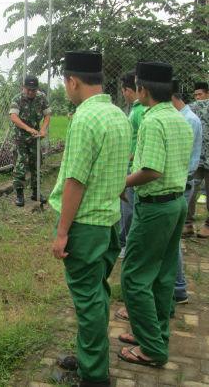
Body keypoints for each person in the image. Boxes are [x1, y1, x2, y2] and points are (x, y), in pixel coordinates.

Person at [50, 51, 131, 387]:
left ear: (73, 81)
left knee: (89, 301)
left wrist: (62, 232)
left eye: (65, 83)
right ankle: (88, 357)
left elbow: (76, 180)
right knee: (96, 294)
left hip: (87, 225)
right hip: (110, 221)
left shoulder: (84, 119)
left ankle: (94, 376)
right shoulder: (118, 115)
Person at [118, 62, 192, 368]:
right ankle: (153, 334)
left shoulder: (151, 121)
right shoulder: (179, 119)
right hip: (177, 204)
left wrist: (119, 182)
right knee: (162, 276)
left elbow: (151, 170)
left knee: (134, 276)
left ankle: (152, 349)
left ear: (143, 90)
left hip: (156, 208)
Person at [171, 85, 201, 305]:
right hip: (181, 182)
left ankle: (179, 288)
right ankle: (178, 288)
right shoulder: (184, 117)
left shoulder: (186, 120)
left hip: (181, 184)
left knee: (170, 239)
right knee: (170, 239)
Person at [9, 74, 51, 207]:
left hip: (35, 137)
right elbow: (14, 118)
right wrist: (28, 129)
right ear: (23, 88)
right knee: (20, 165)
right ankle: (20, 194)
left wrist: (43, 129)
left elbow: (47, 114)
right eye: (28, 90)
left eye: (33, 90)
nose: (31, 92)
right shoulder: (17, 99)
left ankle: (36, 192)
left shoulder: (41, 97)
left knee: (36, 164)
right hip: (20, 138)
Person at [118, 71, 146, 259]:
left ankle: (128, 244)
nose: (124, 96)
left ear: (128, 90)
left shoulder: (139, 112)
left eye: (124, 92)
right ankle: (124, 241)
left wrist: (129, 157)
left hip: (133, 168)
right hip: (130, 166)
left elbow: (144, 142)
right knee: (125, 208)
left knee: (128, 210)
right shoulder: (136, 109)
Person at [188, 81, 209, 238]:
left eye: (200, 94)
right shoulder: (193, 108)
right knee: (192, 188)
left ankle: (207, 225)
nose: (197, 98)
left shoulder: (196, 107)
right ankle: (187, 223)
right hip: (197, 157)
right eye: (195, 95)